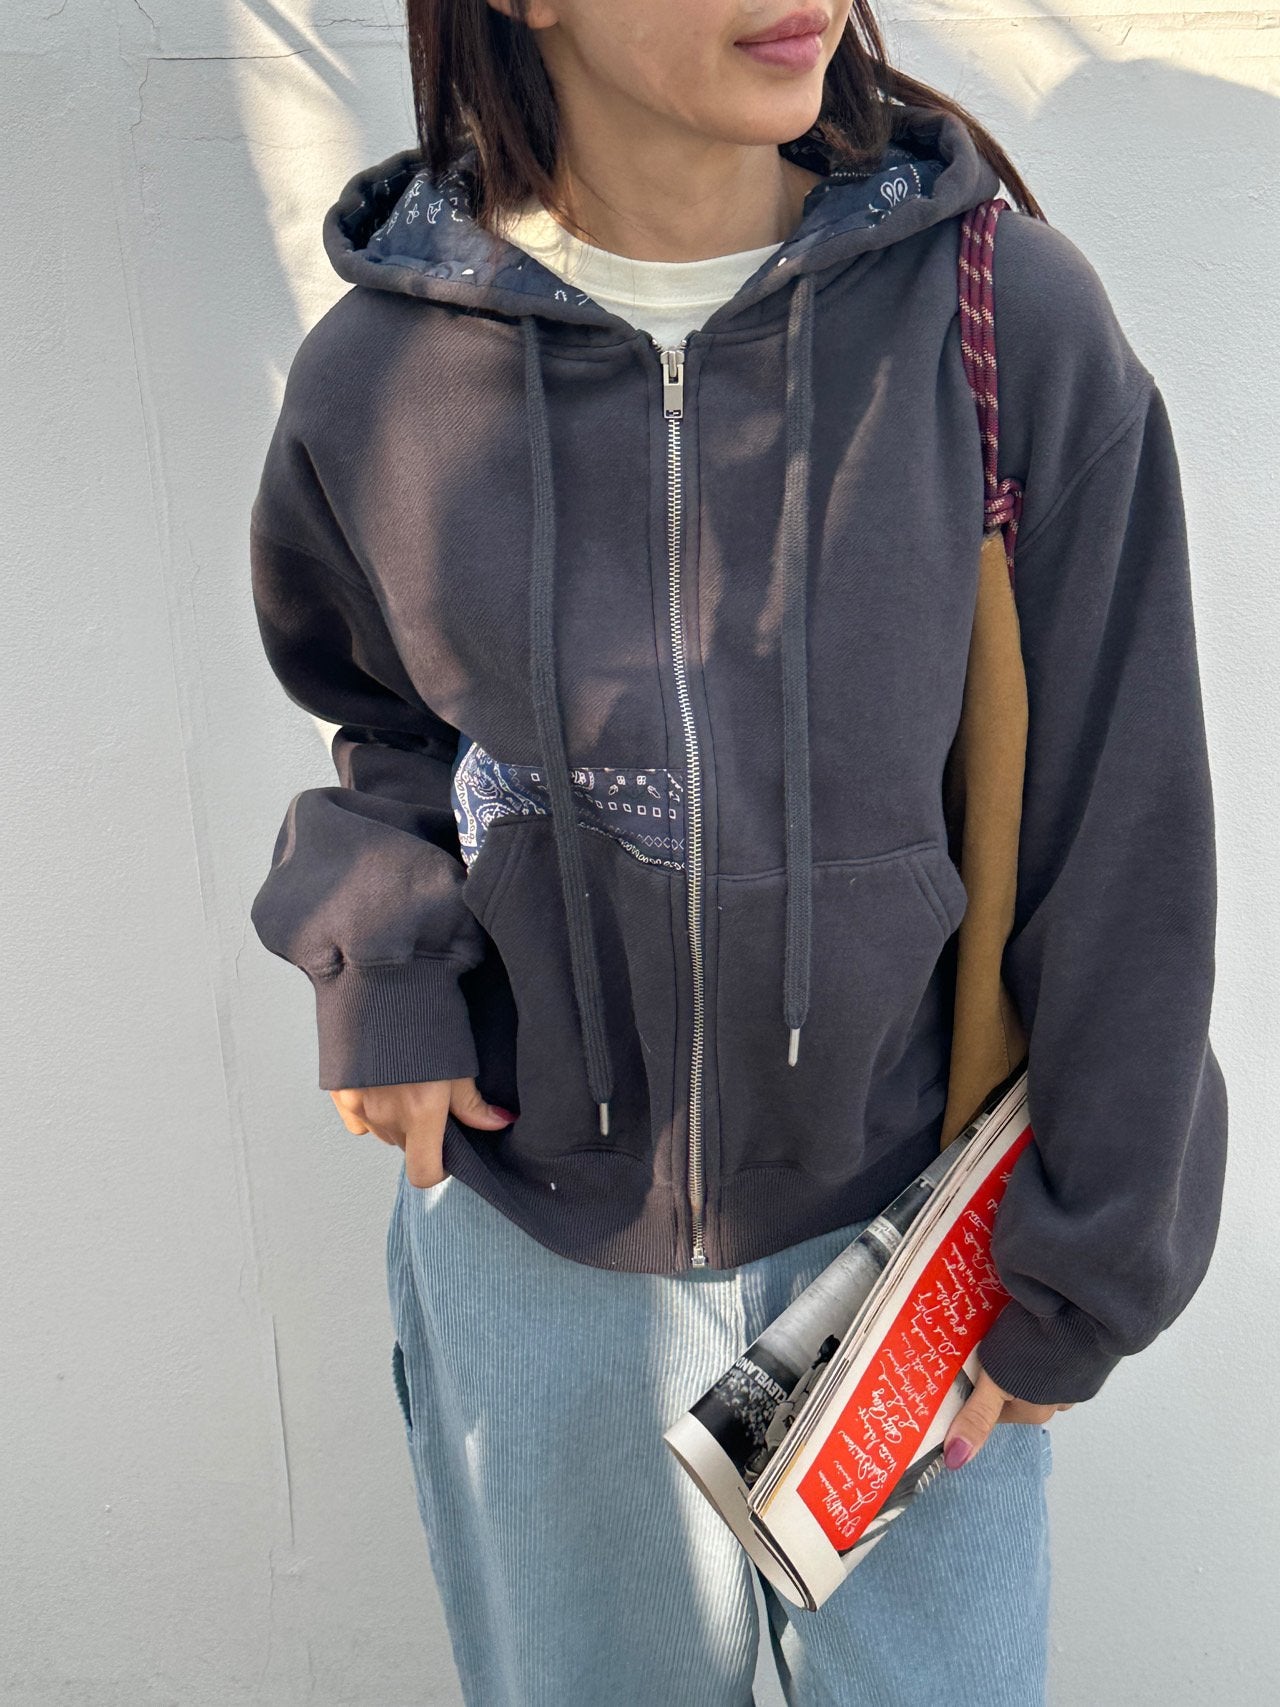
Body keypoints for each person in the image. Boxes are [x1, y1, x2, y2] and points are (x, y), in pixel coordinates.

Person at [246, 3, 1229, 1702]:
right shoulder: (383, 375)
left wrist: (1090, 1265)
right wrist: (382, 961)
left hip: (904, 1266)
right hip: (537, 1274)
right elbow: (393, 728)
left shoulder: (1001, 325)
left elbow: (1126, 831)